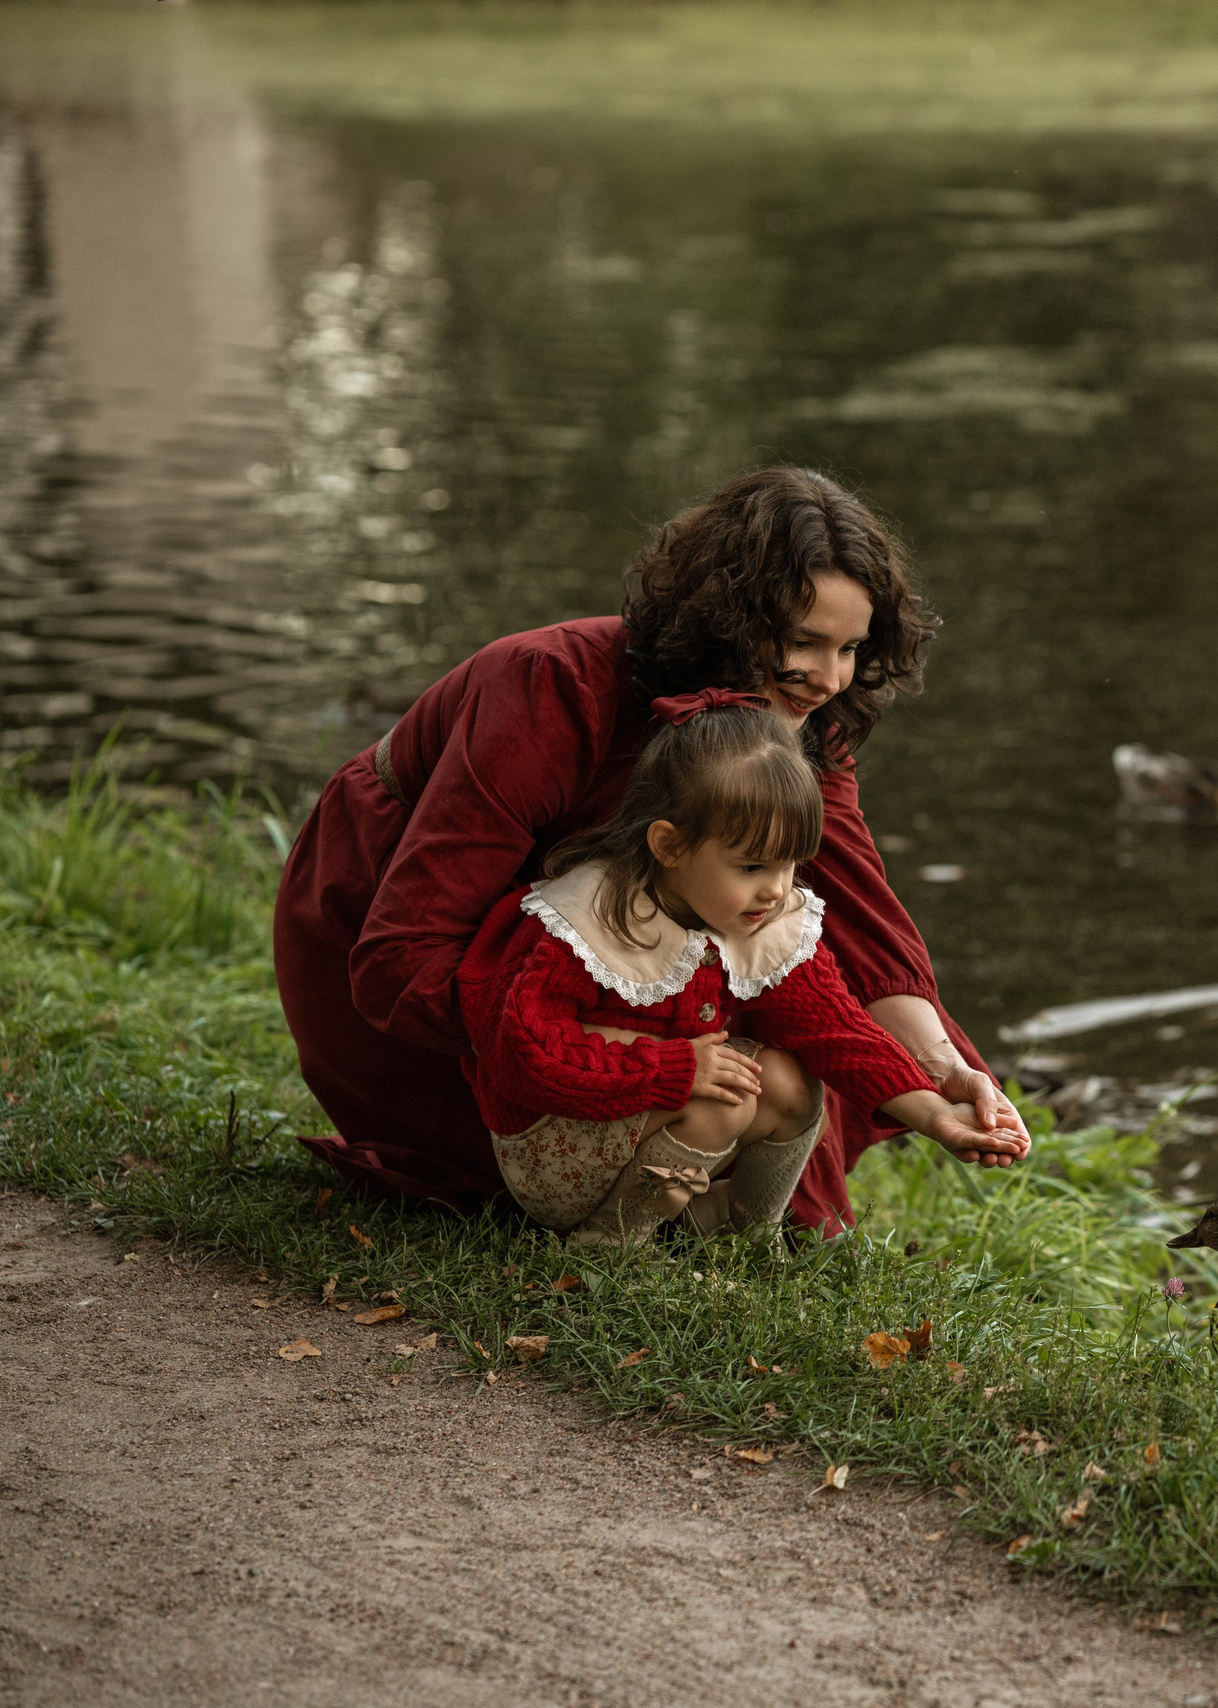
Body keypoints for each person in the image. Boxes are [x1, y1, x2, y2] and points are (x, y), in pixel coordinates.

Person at [274, 466, 1025, 1233]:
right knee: (513, 1189)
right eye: (802, 642)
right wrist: (624, 1044)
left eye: (849, 650)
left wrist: (938, 1069)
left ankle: (687, 1200)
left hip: (616, 940)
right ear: (729, 620)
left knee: (776, 996)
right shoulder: (550, 685)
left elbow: (859, 931)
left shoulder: (797, 729)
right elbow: (404, 952)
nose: (828, 678)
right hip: (398, 903)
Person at [459, 691, 1019, 1246]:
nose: (775, 890)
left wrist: (936, 1116)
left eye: (789, 864)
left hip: (642, 1129)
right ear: (670, 846)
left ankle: (745, 1234)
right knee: (722, 1098)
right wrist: (673, 1069)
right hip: (554, 1151)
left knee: (791, 1081)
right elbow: (522, 1056)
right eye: (751, 865)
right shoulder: (586, 921)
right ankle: (610, 1243)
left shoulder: (759, 921)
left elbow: (841, 1034)